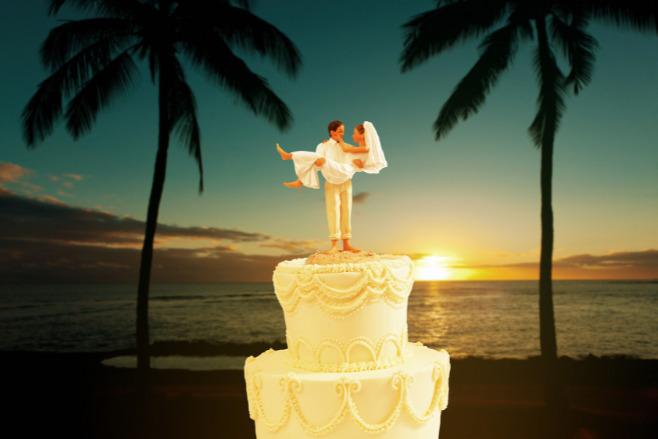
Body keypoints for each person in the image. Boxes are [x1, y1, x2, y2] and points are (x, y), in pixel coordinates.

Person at [277, 120, 386, 253]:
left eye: (344, 132)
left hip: (346, 181)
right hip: (331, 181)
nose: (343, 134)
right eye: (340, 131)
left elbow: (355, 164)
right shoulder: (323, 146)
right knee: (332, 211)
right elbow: (316, 165)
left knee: (346, 211)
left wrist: (360, 166)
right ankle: (334, 245)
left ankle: (346, 243)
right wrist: (318, 164)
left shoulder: (348, 146)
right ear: (332, 132)